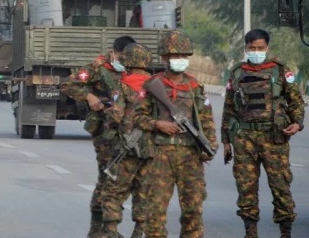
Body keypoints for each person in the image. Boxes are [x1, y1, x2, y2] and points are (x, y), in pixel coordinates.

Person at [222, 29, 304, 238]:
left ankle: (286, 232)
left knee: (280, 186)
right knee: (246, 187)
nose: (256, 51)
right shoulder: (237, 72)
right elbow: (229, 107)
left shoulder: (280, 70)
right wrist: (226, 141)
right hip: (245, 139)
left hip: (274, 138)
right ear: (246, 48)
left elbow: (296, 101)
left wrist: (297, 123)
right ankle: (251, 232)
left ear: (267, 47)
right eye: (252, 48)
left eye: (260, 48)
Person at [136, 30, 218, 238]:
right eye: (175, 56)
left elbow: (206, 121)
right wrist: (157, 124)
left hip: (190, 156)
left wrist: (210, 146)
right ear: (164, 57)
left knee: (193, 210)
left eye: (183, 56)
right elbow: (135, 118)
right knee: (155, 211)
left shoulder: (194, 87)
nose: (180, 60)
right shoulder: (152, 85)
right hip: (159, 155)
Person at [59, 35, 136, 237]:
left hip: (129, 130)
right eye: (122, 56)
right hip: (105, 130)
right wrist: (89, 96)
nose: (124, 60)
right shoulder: (97, 67)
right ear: (114, 52)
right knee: (107, 175)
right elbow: (68, 85)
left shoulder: (134, 68)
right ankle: (97, 230)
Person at [100, 43, 154, 238]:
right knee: (144, 190)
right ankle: (140, 230)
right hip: (150, 148)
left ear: (128, 61)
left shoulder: (123, 85)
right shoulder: (157, 84)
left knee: (114, 190)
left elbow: (115, 115)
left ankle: (112, 230)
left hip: (126, 146)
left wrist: (109, 128)